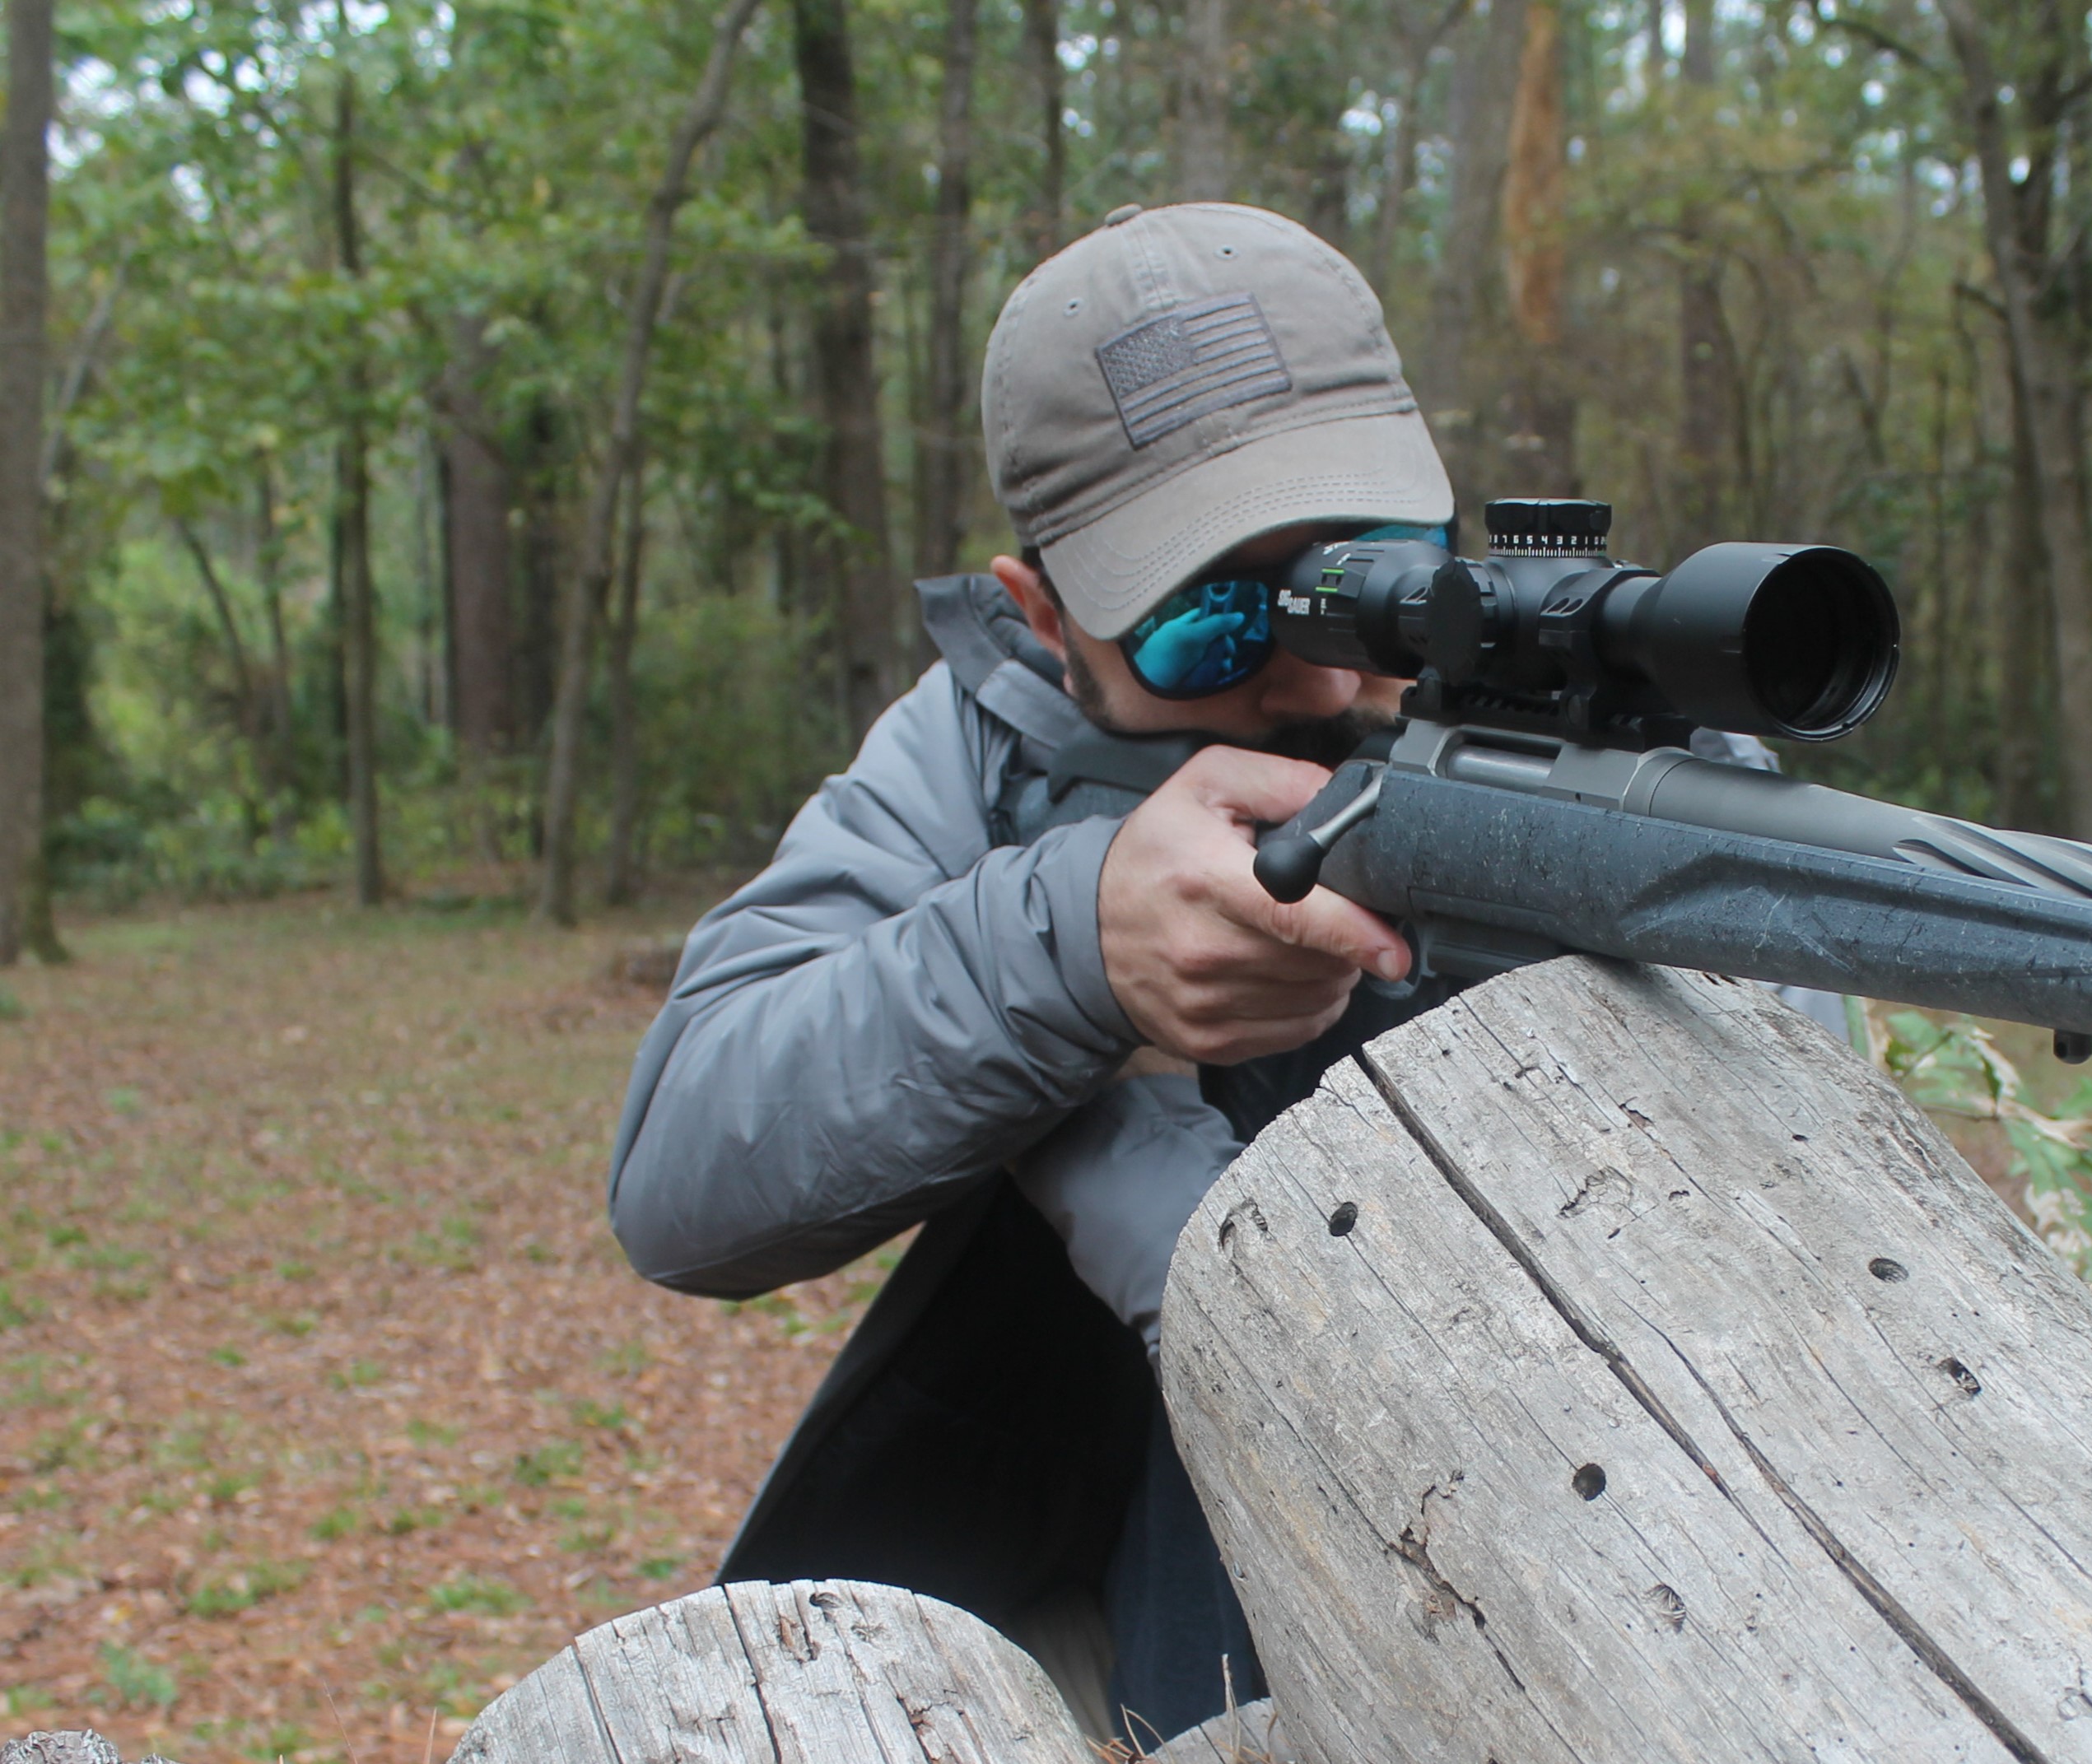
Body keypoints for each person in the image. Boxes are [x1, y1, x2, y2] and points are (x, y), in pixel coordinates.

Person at [606, 199, 1828, 1744]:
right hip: (1171, 1562)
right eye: (1209, 621)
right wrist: (1063, 950)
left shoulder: (1615, 723)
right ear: (1042, 616)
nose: (1317, 672)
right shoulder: (977, 751)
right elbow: (680, 1167)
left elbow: (1792, 1184)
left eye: (1369, 572)